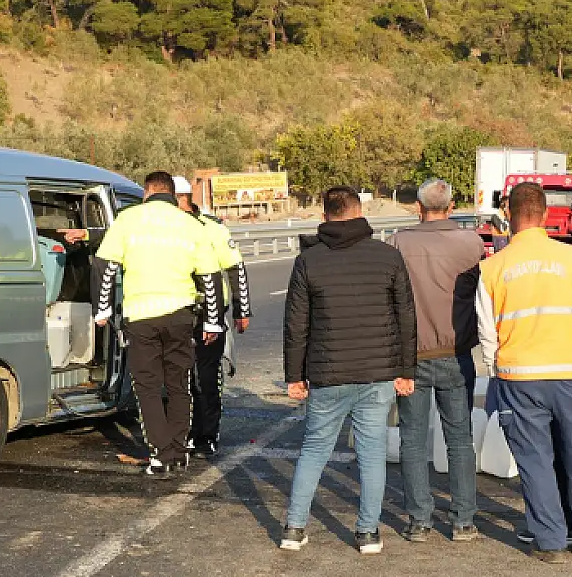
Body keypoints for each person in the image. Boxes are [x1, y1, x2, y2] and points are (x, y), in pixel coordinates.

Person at [477, 181, 572, 563]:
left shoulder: (492, 267)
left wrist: (497, 370)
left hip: (521, 377)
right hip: (571, 371)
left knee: (535, 461)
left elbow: (488, 333)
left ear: (509, 215)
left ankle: (550, 541)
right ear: (546, 214)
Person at [280, 186, 418, 555]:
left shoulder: (309, 261)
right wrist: (406, 370)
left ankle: (294, 528)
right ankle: (368, 532)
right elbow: (405, 316)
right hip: (378, 373)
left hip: (327, 373)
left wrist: (295, 376)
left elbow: (296, 324)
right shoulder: (387, 257)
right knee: (372, 453)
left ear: (324, 216)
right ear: (361, 213)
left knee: (314, 450)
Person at [92, 170, 225, 476]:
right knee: (179, 384)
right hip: (180, 315)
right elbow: (210, 275)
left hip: (142, 317)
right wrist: (213, 323)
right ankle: (178, 451)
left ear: (147, 192)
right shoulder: (190, 225)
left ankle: (160, 454)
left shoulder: (129, 219)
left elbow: (105, 265)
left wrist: (101, 310)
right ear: (171, 193)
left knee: (148, 387)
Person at [389, 178, 484, 543]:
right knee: (459, 437)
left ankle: (419, 520)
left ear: (418, 207)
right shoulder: (471, 243)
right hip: (456, 354)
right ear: (452, 205)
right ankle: (463, 521)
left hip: (412, 356)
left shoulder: (398, 242)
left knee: (412, 438)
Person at [174, 175, 252, 457]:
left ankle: (207, 433)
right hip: (174, 313)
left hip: (209, 313)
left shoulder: (212, 228)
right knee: (179, 377)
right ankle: (184, 433)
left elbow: (235, 268)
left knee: (206, 377)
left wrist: (242, 310)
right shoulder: (162, 227)